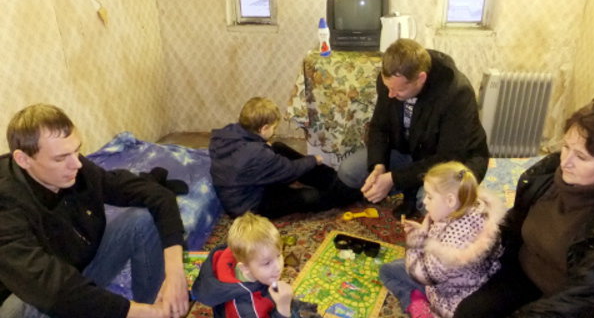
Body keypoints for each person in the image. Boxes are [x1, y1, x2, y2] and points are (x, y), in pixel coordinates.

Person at [0, 104, 189, 318]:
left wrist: (174, 273)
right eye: (60, 158)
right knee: (18, 309)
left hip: (75, 272)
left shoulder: (76, 168)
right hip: (31, 292)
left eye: (76, 150)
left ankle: (156, 304)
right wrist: (143, 313)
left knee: (142, 219)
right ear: (23, 160)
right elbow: (50, 288)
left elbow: (156, 195)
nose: (76, 164)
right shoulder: (6, 203)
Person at [454, 97, 594, 317]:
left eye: (581, 157)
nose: (566, 162)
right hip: (522, 274)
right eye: (566, 147)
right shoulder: (545, 175)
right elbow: (514, 223)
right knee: (468, 313)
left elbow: (585, 297)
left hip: (572, 302)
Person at [337, 39, 489, 219]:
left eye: (399, 91)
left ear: (421, 78)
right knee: (349, 171)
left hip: (453, 161)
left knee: (433, 206)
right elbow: (379, 126)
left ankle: (412, 191)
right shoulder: (390, 83)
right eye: (388, 88)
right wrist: (378, 166)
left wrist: (394, 178)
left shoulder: (457, 93)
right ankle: (408, 186)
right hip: (409, 151)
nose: (391, 95)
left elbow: (449, 157)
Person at [379, 161, 506, 318]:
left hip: (449, 303)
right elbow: (442, 236)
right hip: (459, 283)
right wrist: (424, 231)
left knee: (387, 272)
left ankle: (421, 310)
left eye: (430, 197)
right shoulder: (468, 209)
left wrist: (415, 239)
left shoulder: (453, 251)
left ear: (450, 201)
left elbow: (420, 273)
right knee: (394, 267)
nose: (424, 201)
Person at [210, 97, 361, 219]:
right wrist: (313, 160)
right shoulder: (257, 155)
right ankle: (348, 194)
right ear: (263, 129)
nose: (274, 131)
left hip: (244, 186)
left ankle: (331, 179)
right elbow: (290, 170)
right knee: (311, 196)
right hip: (249, 207)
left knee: (277, 147)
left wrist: (263, 145)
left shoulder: (227, 132)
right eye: (273, 128)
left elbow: (256, 157)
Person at [191, 212, 320, 318]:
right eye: (267, 263)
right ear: (245, 267)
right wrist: (283, 308)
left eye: (279, 255)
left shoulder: (246, 255)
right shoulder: (246, 309)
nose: (278, 267)